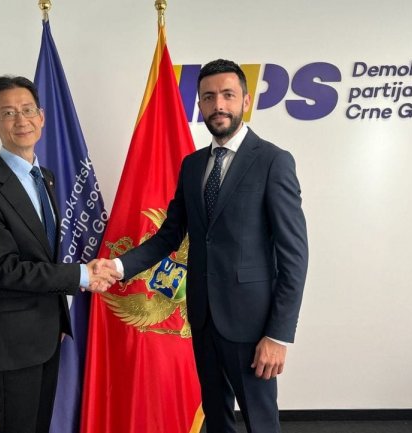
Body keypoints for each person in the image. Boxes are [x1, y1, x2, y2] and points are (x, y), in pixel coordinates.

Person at [95, 59, 309, 433]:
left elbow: (295, 256)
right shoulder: (193, 165)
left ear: (245, 101)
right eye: (208, 97)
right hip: (203, 317)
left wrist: (277, 335)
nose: (218, 105)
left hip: (252, 325)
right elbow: (169, 235)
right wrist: (118, 267)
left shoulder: (273, 162)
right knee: (216, 417)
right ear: (199, 104)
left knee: (261, 422)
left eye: (228, 95)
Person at [0, 75, 118, 433]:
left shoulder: (44, 177)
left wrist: (58, 315)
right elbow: (4, 269)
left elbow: (44, 254)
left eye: (28, 110)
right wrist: (82, 274)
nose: (21, 120)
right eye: (8, 113)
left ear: (42, 117)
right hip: (13, 341)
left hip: (48, 333)